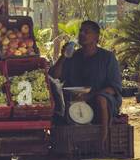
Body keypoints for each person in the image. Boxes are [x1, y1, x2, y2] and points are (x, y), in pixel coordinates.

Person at [49, 20, 122, 150]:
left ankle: (102, 140)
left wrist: (90, 96)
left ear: (96, 37)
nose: (82, 34)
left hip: (101, 98)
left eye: (86, 32)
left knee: (101, 99)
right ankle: (64, 142)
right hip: (74, 97)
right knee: (56, 99)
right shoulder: (73, 57)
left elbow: (113, 88)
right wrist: (63, 57)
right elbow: (54, 76)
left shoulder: (107, 58)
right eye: (80, 31)